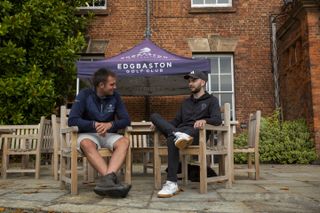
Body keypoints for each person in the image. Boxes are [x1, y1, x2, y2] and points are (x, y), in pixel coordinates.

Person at [150, 70, 222, 198]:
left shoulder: (212, 100)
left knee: (173, 137)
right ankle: (177, 135)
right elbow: (176, 121)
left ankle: (172, 183)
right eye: (189, 81)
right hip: (181, 133)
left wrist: (205, 120)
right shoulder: (185, 103)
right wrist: (160, 124)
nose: (190, 83)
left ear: (203, 82)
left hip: (196, 135)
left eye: (194, 80)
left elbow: (217, 120)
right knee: (154, 116)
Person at [68, 68, 131, 198]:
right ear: (101, 85)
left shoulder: (116, 97)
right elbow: (72, 120)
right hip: (88, 134)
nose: (115, 87)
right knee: (86, 143)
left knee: (124, 141)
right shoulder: (84, 95)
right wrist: (93, 124)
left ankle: (106, 182)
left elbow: (126, 120)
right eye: (112, 84)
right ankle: (110, 181)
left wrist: (111, 124)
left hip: (108, 134)